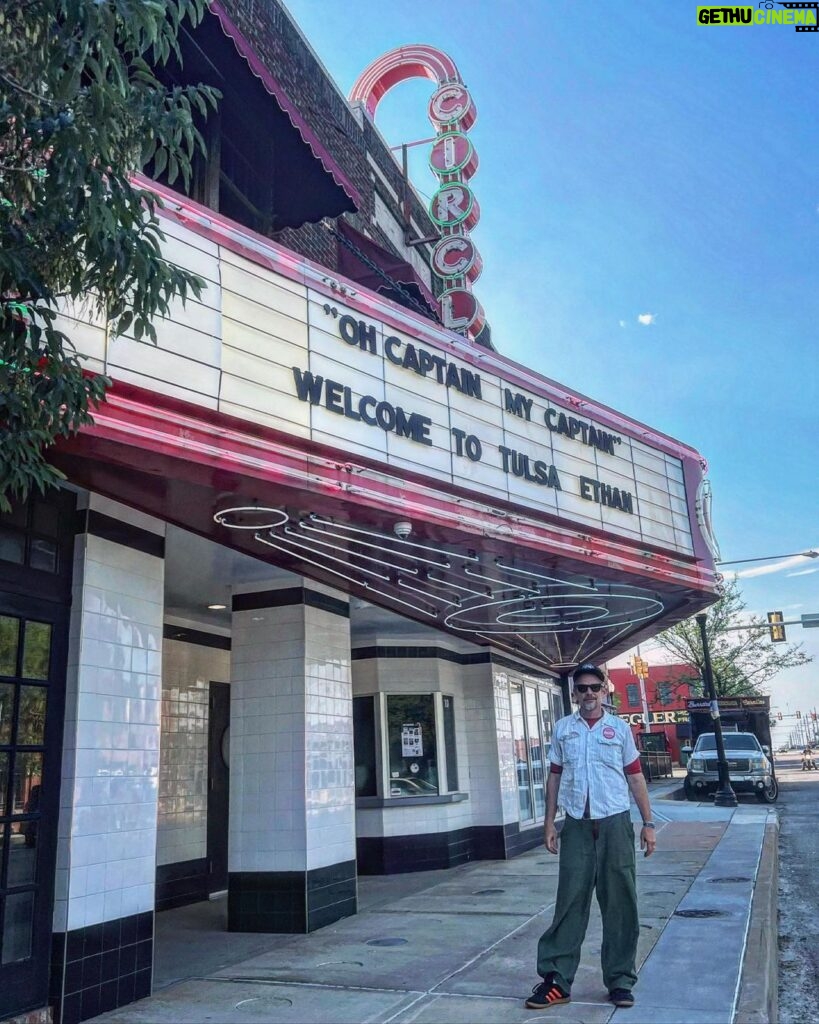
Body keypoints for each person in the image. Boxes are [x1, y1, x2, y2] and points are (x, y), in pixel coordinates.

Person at [525, 663, 656, 1011]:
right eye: (581, 688)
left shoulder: (619, 729)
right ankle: (556, 981)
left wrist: (648, 823)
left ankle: (620, 980)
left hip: (614, 824)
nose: (588, 694)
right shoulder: (563, 730)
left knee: (620, 902)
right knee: (570, 901)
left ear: (605, 689)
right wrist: (549, 822)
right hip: (577, 826)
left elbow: (636, 777)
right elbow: (554, 777)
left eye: (594, 687)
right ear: (573, 693)